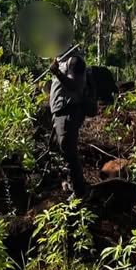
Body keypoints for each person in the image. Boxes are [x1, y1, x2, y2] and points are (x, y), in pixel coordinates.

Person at [49, 42, 90, 197]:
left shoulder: (74, 61)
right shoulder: (61, 60)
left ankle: (79, 193)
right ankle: (69, 184)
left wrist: (57, 73)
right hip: (60, 112)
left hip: (69, 111)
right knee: (60, 148)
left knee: (68, 150)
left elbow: (76, 85)